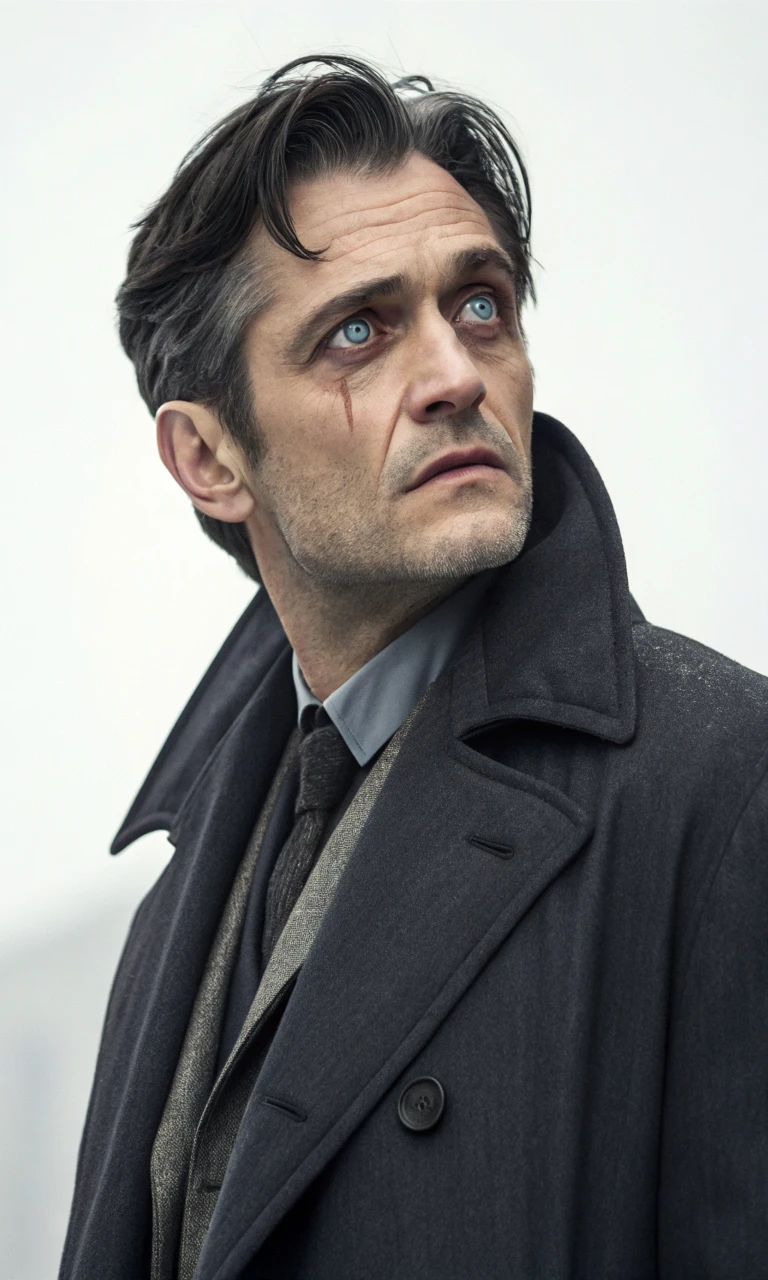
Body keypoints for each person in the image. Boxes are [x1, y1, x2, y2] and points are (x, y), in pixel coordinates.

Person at [60, 54, 768, 1280]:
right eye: (360, 330)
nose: (454, 376)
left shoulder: (722, 783)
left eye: (480, 305)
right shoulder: (172, 903)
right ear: (209, 459)